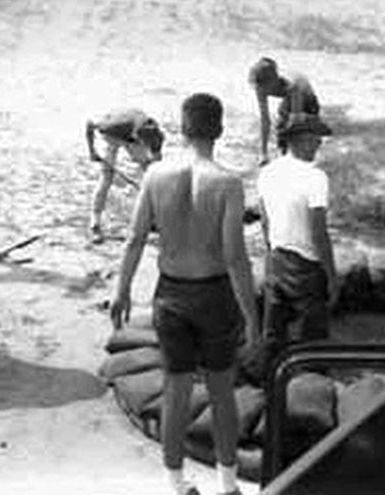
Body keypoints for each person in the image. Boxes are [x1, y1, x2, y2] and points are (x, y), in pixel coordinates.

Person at [110, 93, 259, 495]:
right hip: (213, 296)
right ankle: (228, 486)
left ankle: (177, 486)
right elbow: (235, 257)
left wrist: (121, 289)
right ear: (220, 129)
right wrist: (252, 316)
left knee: (175, 392)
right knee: (221, 392)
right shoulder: (227, 184)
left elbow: (136, 237)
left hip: (171, 294)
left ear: (182, 127)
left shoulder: (156, 176)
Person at [256, 113, 337, 373]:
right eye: (315, 139)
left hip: (276, 259)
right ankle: (310, 385)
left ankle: (267, 384)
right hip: (306, 267)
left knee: (273, 334)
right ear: (299, 140)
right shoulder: (315, 178)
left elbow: (265, 220)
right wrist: (331, 276)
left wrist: (272, 252)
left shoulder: (267, 172)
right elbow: (318, 232)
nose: (318, 145)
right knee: (312, 339)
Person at [85, 108, 164, 243]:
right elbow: (89, 124)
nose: (146, 148)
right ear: (138, 138)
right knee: (106, 178)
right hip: (113, 136)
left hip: (132, 134)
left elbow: (156, 160)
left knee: (151, 172)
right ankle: (95, 224)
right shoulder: (110, 126)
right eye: (144, 145)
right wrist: (92, 151)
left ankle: (152, 219)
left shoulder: (155, 133)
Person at [248, 57, 320, 167]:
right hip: (289, 97)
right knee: (282, 126)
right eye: (258, 85)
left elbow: (295, 121)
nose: (259, 89)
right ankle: (283, 155)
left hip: (308, 98)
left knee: (297, 130)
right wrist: (264, 153)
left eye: (262, 86)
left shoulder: (292, 87)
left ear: (273, 81)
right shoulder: (260, 87)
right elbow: (265, 120)